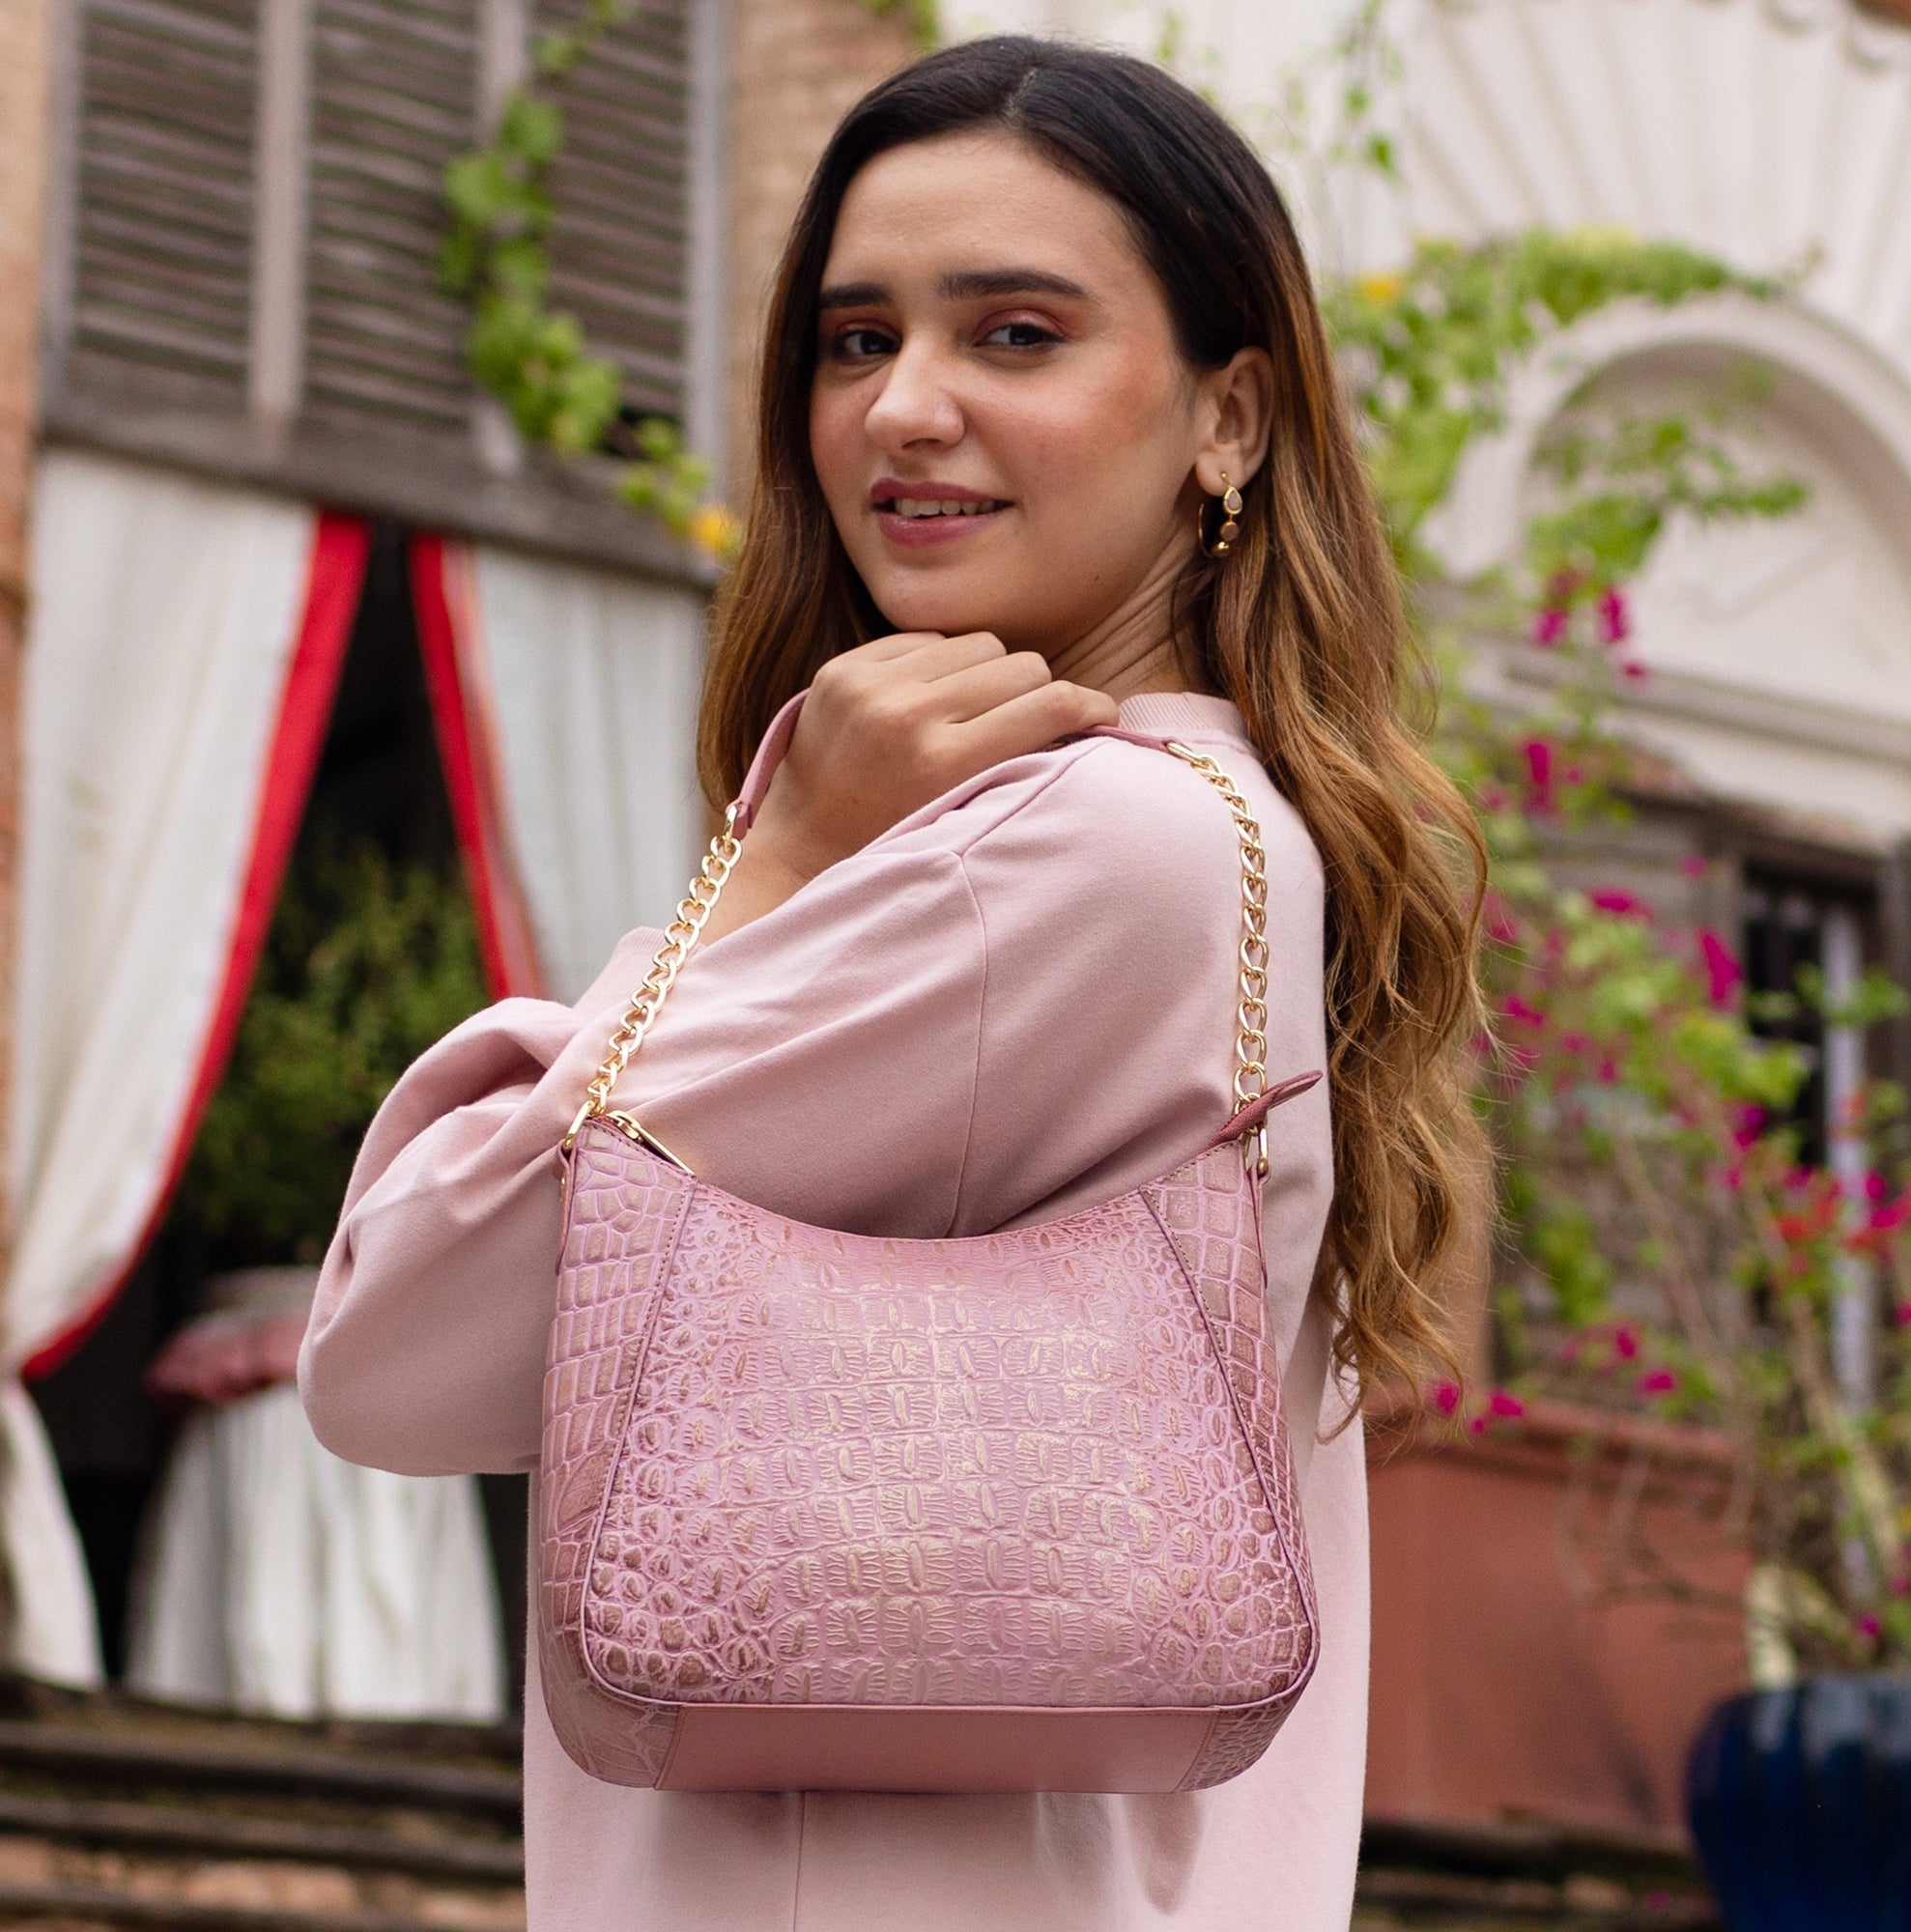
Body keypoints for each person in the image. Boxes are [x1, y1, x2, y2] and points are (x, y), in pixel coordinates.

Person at [300, 36, 1484, 1932]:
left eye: (1014, 333)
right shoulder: (1228, 833)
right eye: (855, 341)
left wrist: (763, 873)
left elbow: (393, 1349)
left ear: (1227, 418)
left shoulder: (1062, 859)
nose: (903, 409)